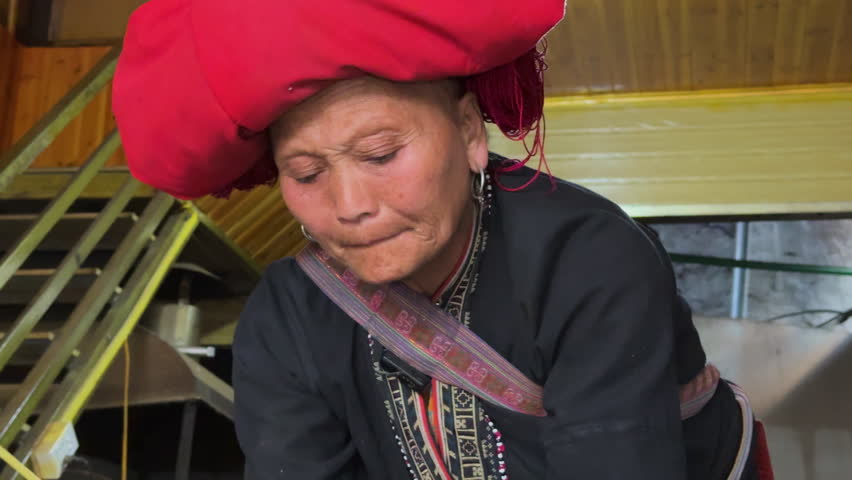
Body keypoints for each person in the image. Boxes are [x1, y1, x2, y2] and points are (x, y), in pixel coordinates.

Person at [112, 0, 774, 479]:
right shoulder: (287, 317)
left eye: (380, 154)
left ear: (468, 132)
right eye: (307, 174)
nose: (350, 207)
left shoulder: (588, 258)